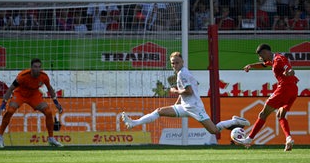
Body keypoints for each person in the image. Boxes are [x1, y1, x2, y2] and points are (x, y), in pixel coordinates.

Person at [122, 52, 250, 137]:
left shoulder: (182, 73)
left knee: (214, 131)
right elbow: (189, 88)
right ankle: (134, 123)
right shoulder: (183, 72)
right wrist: (177, 103)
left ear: (182, 61)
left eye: (177, 62)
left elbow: (189, 91)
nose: (174, 65)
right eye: (172, 63)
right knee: (159, 111)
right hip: (185, 106)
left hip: (194, 107)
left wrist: (174, 91)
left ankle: (234, 121)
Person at [237, 44, 299, 151]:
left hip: (284, 89)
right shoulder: (274, 60)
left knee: (263, 114)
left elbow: (290, 70)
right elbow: (263, 65)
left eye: (261, 55)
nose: (261, 58)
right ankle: (289, 139)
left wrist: (288, 72)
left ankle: (249, 139)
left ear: (266, 52)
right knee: (280, 114)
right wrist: (251, 66)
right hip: (293, 89)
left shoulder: (279, 59)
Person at [0, 58, 64, 148]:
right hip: (20, 94)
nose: (37, 69)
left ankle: (51, 138)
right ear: (31, 68)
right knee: (10, 111)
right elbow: (11, 89)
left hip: (34, 95)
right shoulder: (22, 76)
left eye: (39, 67)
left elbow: (50, 89)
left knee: (48, 112)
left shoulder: (44, 76)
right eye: (35, 67)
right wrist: (2, 105)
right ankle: (0, 136)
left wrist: (56, 103)